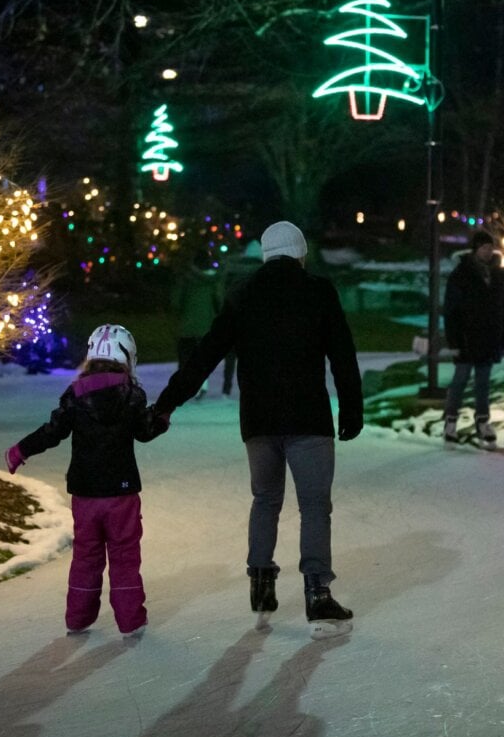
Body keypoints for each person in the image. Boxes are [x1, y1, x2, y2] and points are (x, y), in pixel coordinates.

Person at [154, 220, 363, 640]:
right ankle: (317, 593)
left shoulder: (243, 295)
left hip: (260, 421)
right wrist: (352, 410)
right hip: (308, 419)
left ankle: (262, 584)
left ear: (266, 255)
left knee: (265, 499)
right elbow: (342, 353)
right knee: (314, 506)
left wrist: (165, 405)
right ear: (300, 254)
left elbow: (205, 355)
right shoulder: (319, 291)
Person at [4, 324, 169, 637]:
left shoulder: (76, 394)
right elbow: (144, 432)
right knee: (124, 556)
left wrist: (20, 450)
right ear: (128, 357)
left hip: (85, 494)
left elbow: (53, 432)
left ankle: (78, 619)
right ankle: (131, 620)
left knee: (86, 556)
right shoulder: (132, 395)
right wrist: (161, 418)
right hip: (121, 494)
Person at [442, 230, 504, 449]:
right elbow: (451, 311)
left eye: (490, 247)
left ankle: (483, 423)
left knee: (483, 384)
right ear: (475, 250)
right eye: (484, 247)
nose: (488, 251)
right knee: (460, 380)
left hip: (488, 338)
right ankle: (450, 423)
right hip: (466, 338)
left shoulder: (497, 274)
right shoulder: (461, 274)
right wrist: (454, 342)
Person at [171, 249, 223, 399]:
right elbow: (219, 302)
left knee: (185, 359)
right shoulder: (214, 280)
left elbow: (176, 302)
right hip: (206, 326)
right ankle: (202, 387)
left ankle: (183, 388)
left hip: (186, 327)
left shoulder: (186, 280)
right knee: (203, 358)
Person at [219, 239, 264, 396]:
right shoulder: (262, 271)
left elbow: (224, 292)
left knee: (230, 358)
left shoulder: (232, 269)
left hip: (233, 318)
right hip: (253, 322)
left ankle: (226, 388)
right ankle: (251, 389)